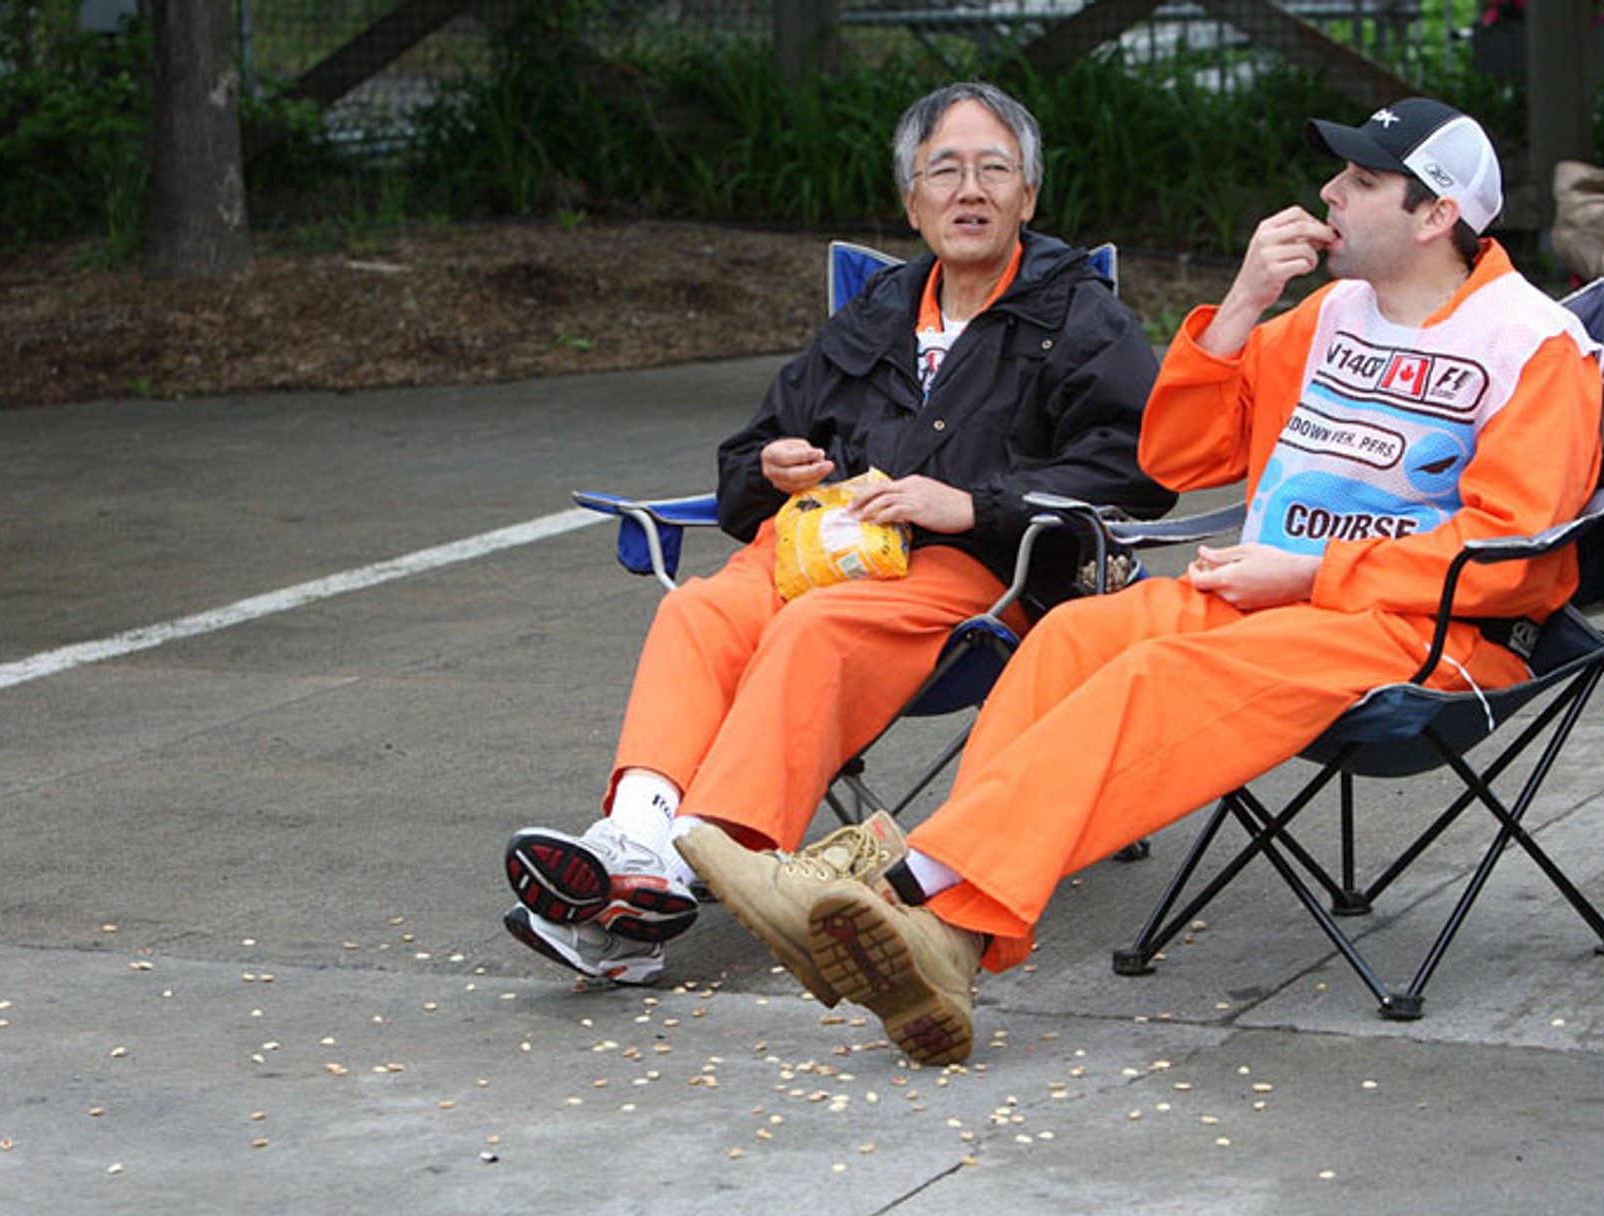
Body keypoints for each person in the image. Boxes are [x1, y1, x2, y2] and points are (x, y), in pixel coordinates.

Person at [681, 97, 1604, 1065]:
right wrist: (1243, 303)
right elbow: (1176, 455)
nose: (1327, 193)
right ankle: (943, 932)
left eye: (1361, 181)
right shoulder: (1326, 316)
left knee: (1150, 678)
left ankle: (912, 895)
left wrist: (1309, 573)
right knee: (1068, 641)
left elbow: (1515, 556)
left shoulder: (1530, 343)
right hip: (1258, 589)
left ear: (1434, 217)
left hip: (1420, 628)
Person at [500, 81, 1176, 991]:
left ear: (1028, 197)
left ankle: (682, 868)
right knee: (702, 611)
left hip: (973, 574)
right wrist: (772, 469)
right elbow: (747, 454)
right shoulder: (877, 312)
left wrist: (973, 504)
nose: (968, 191)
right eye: (945, 171)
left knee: (812, 631)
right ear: (912, 200)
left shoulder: (1079, 315)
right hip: (817, 543)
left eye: (993, 171)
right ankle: (634, 846)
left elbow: (1138, 467)